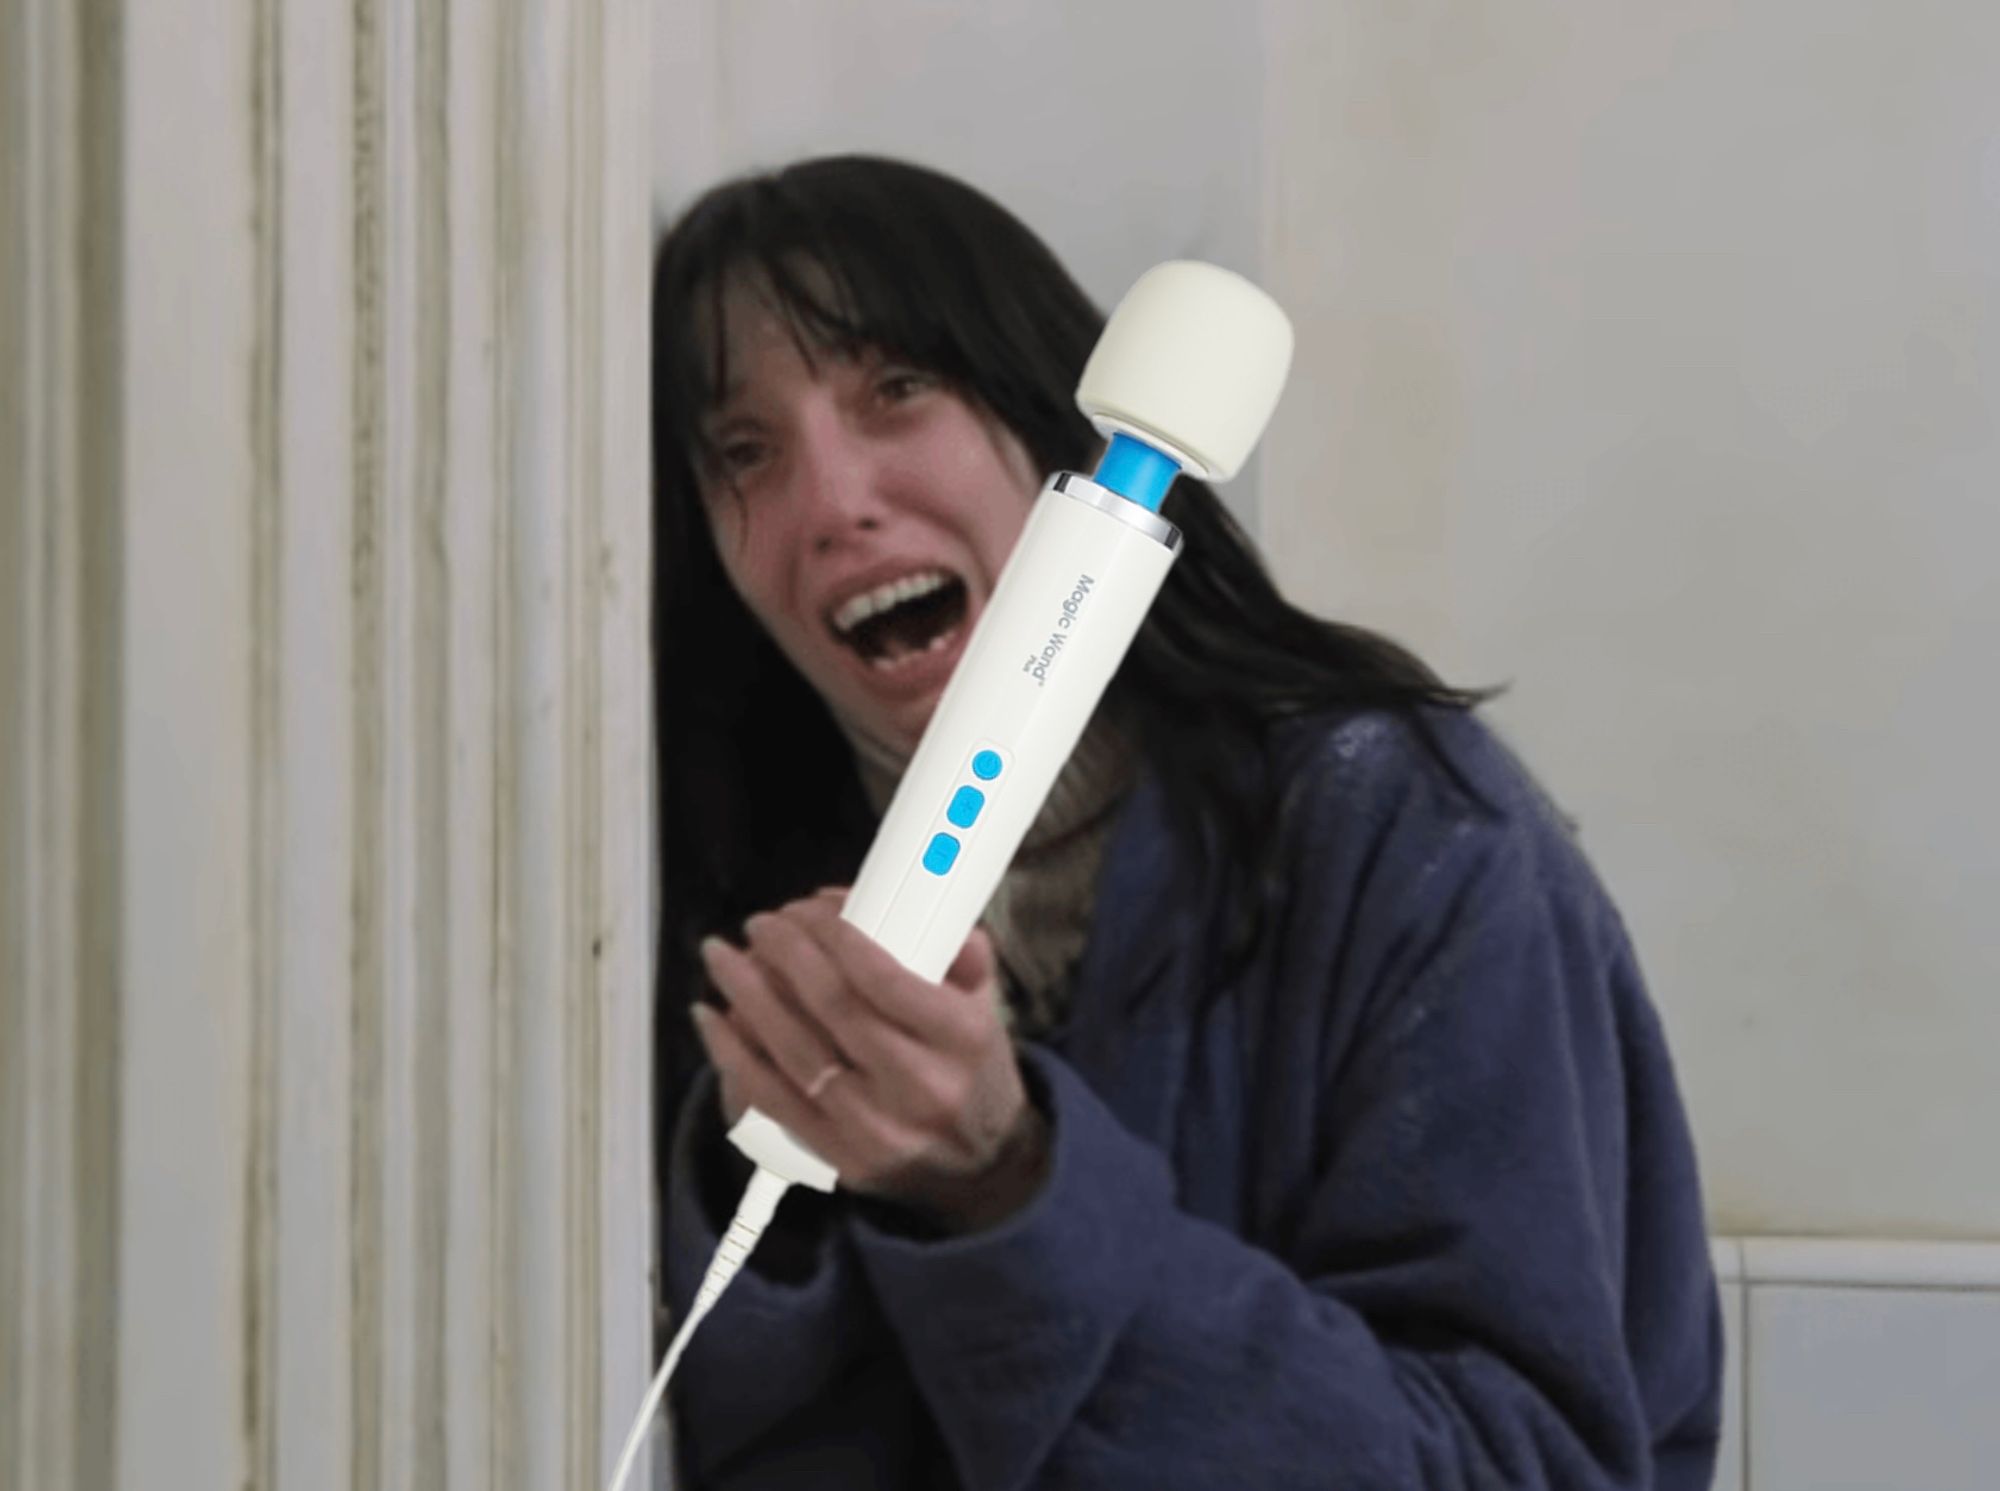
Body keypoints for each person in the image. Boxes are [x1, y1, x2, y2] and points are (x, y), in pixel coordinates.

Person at [649, 154, 1724, 1490]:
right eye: (741, 450)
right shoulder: (739, 934)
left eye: (895, 389)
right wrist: (788, 1226)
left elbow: (1529, 1467)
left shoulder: (1415, 842)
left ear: (1050, 413)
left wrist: (1010, 1184)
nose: (830, 502)